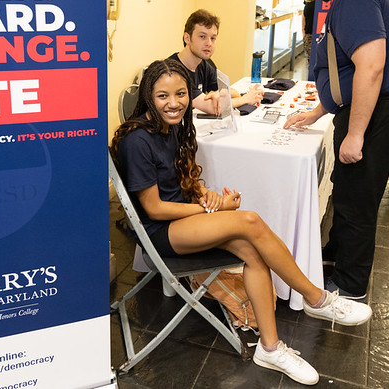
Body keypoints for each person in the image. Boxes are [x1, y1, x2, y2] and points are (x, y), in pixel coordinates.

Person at [111, 58, 372, 386]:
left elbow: (183, 180)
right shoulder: (138, 139)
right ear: (149, 96)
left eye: (180, 94)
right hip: (160, 232)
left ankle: (270, 348)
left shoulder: (175, 125)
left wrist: (208, 196)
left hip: (183, 220)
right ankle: (316, 298)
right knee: (248, 220)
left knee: (251, 248)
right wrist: (212, 210)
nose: (174, 103)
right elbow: (155, 209)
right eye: (163, 96)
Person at [284, 0, 389, 301]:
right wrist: (318, 111)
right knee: (346, 188)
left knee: (359, 196)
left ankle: (351, 285)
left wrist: (356, 134)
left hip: (386, 109)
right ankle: (335, 254)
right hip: (383, 106)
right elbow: (345, 69)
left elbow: (371, 67)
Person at [169, 9, 263, 115]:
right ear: (187, 38)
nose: (209, 43)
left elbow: (234, 93)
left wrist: (219, 93)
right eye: (202, 36)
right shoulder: (173, 72)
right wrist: (245, 99)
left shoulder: (204, 64)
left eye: (213, 38)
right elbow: (213, 108)